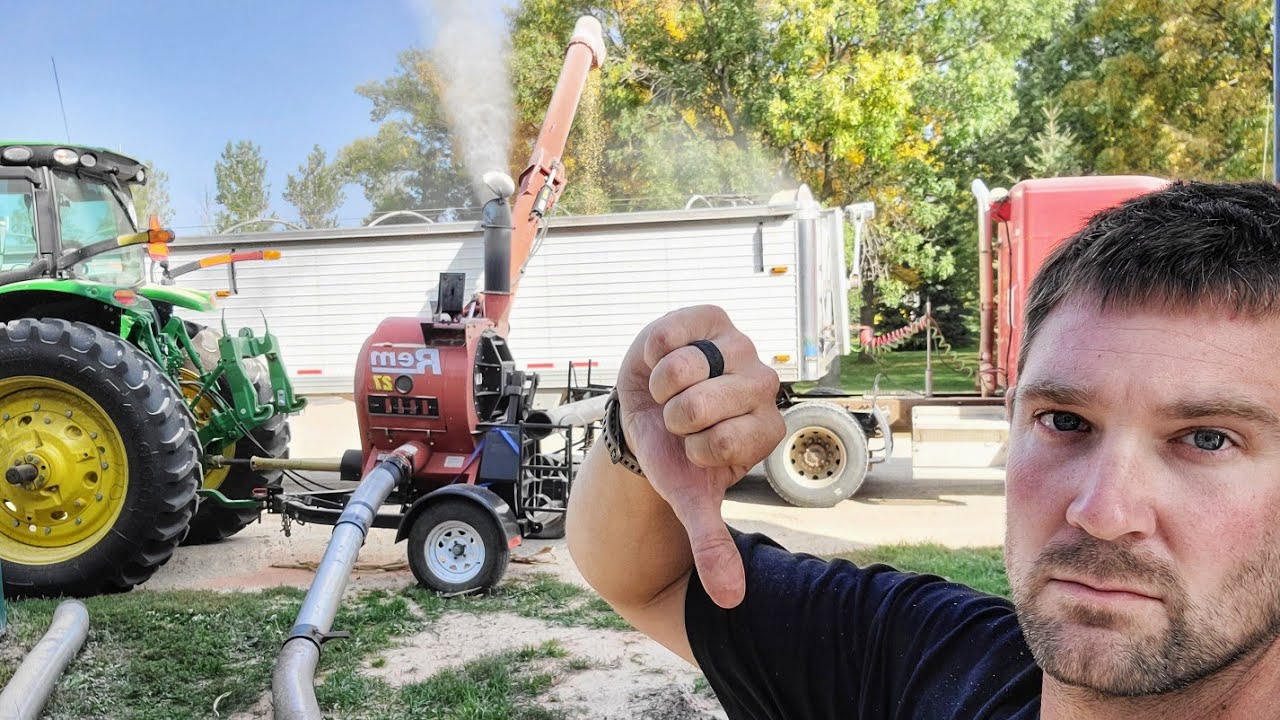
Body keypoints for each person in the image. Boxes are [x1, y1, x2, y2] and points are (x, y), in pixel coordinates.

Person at [566, 180, 1280, 719]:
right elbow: (648, 581)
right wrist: (638, 437)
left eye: (1207, 439)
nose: (1102, 510)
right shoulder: (917, 663)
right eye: (1065, 421)